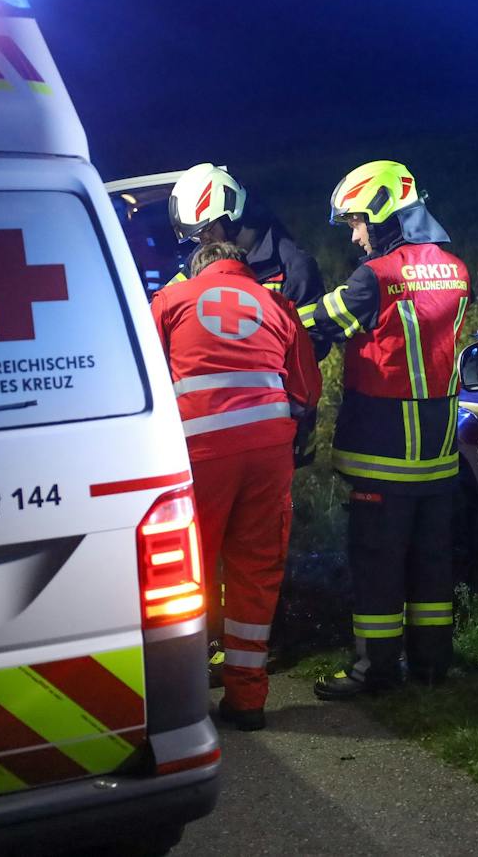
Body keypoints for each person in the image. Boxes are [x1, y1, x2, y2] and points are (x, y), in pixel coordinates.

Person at [300, 160, 471, 699]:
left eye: (356, 222)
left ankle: (374, 671)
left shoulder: (375, 276)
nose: (354, 235)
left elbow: (316, 321)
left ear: (381, 213)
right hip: (440, 448)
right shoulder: (456, 267)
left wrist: (261, 311)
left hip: (383, 447)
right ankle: (431, 664)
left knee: (378, 564)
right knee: (431, 562)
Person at [151, 239, 322, 730]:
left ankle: (179, 696)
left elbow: (142, 374)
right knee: (255, 570)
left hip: (197, 456)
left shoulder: (170, 301)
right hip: (268, 455)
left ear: (197, 267)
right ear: (243, 269)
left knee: (187, 574)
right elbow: (307, 391)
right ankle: (247, 700)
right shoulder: (277, 303)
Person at [168, 162, 326, 309]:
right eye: (197, 236)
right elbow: (167, 300)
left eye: (207, 229)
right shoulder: (203, 254)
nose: (203, 241)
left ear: (231, 217)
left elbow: (310, 336)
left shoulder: (293, 267)